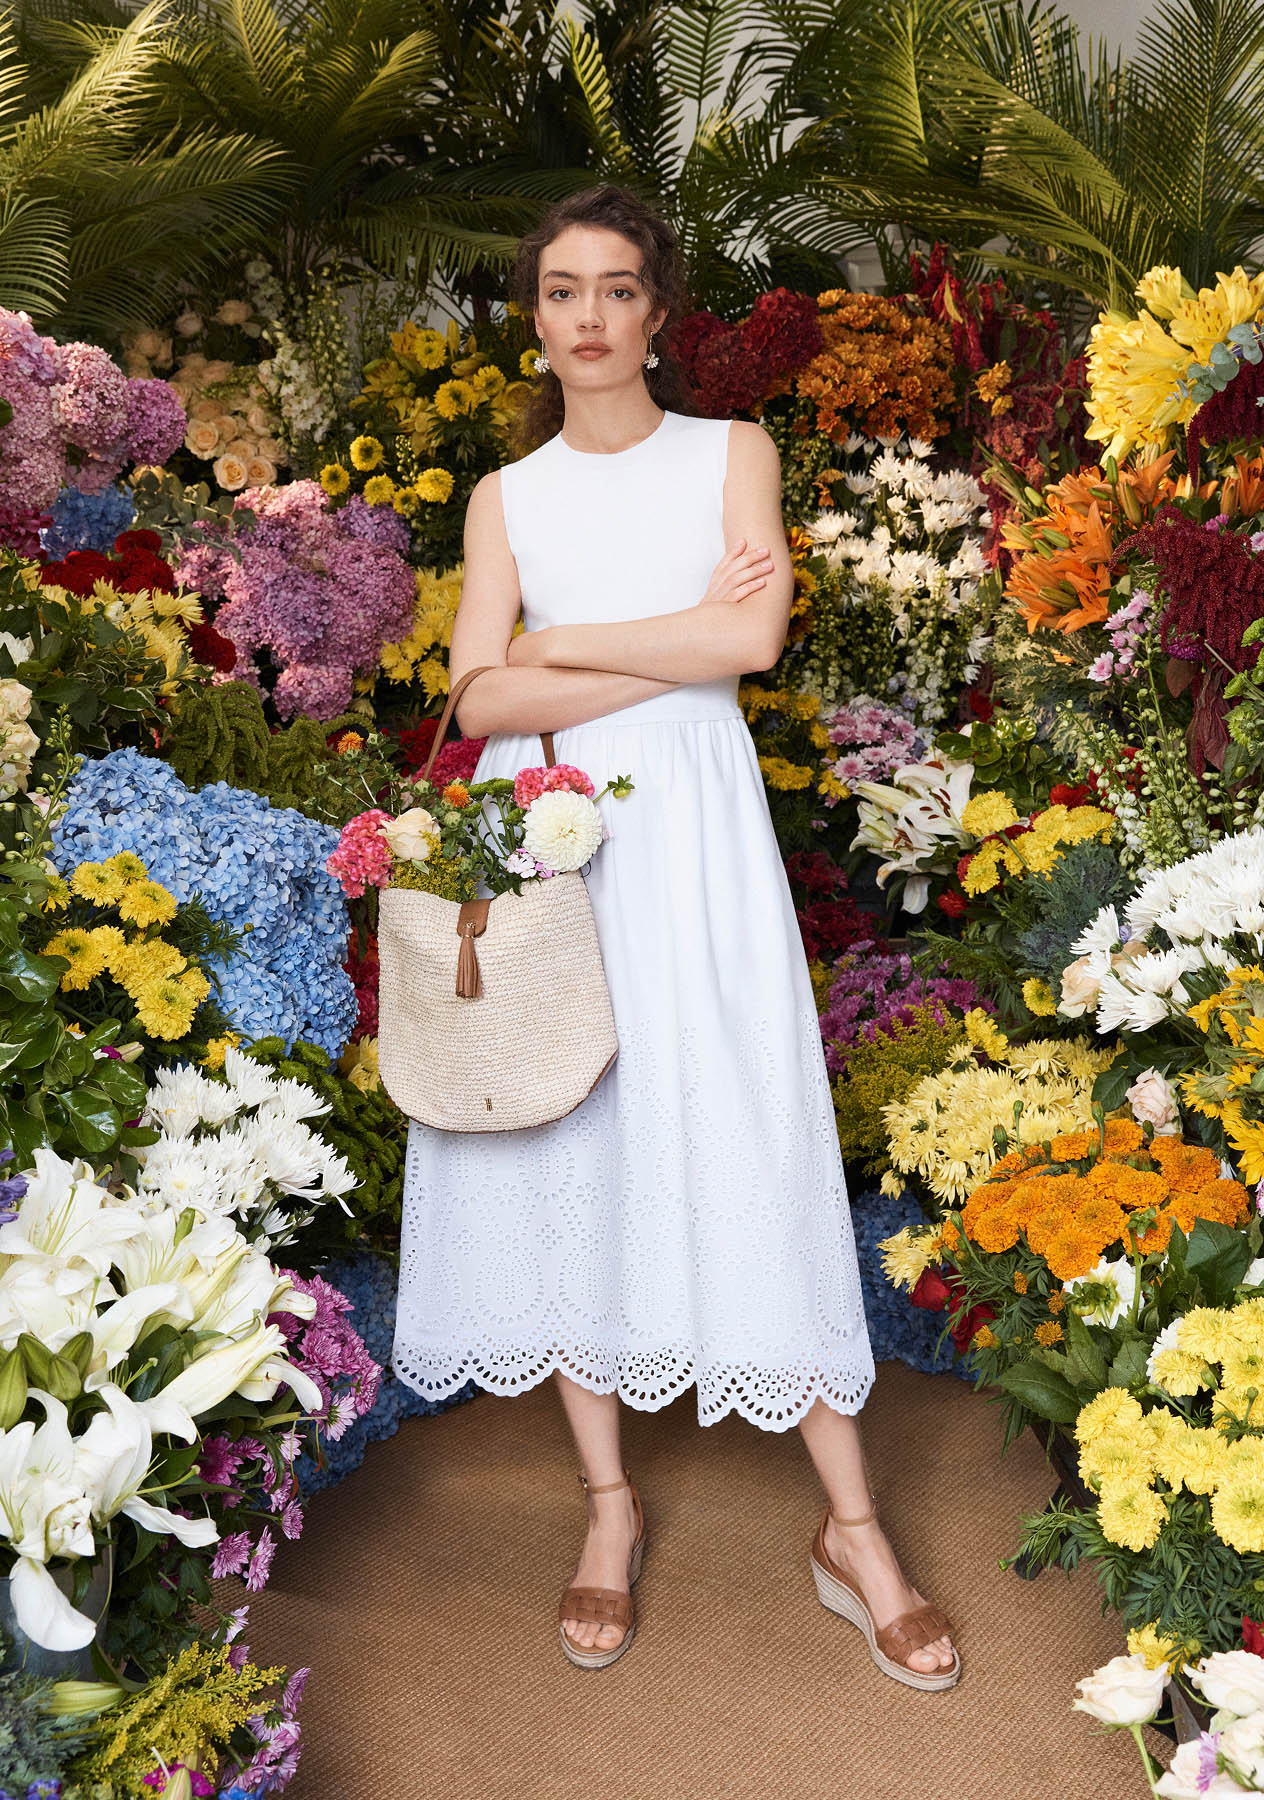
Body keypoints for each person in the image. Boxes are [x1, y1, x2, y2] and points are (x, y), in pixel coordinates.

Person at [391, 183, 959, 1688]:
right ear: (537, 316)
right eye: (562, 290)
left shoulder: (733, 454)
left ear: (658, 310)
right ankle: (608, 1504)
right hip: (552, 840)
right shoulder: (506, 497)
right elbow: (478, 703)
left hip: (695, 838)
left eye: (618, 289)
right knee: (571, 1132)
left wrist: (559, 643)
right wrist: (628, 649)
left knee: (746, 1127)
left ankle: (853, 1526)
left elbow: (748, 646)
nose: (588, 315)